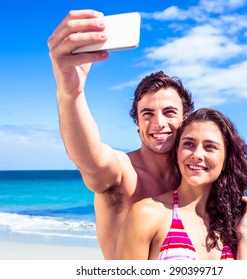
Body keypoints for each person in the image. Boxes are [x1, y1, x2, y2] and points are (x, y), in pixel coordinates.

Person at [47, 10, 194, 259]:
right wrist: (70, 93)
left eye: (169, 112)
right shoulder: (123, 172)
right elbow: (89, 158)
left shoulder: (192, 179)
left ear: (185, 118)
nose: (158, 123)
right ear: (137, 122)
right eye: (147, 114)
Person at [116, 108, 247, 260]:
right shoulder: (147, 214)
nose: (197, 155)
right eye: (189, 144)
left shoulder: (230, 226)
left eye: (210, 147)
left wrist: (243, 235)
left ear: (225, 160)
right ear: (177, 152)